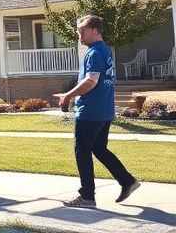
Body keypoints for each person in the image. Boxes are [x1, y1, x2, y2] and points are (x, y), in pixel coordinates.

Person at [57, 14, 140, 208]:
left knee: (82, 151)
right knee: (99, 148)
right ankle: (127, 181)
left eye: (82, 32)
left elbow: (91, 81)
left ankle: (87, 197)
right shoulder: (105, 51)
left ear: (94, 30)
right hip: (104, 111)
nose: (79, 36)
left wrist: (68, 96)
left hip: (91, 112)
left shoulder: (94, 52)